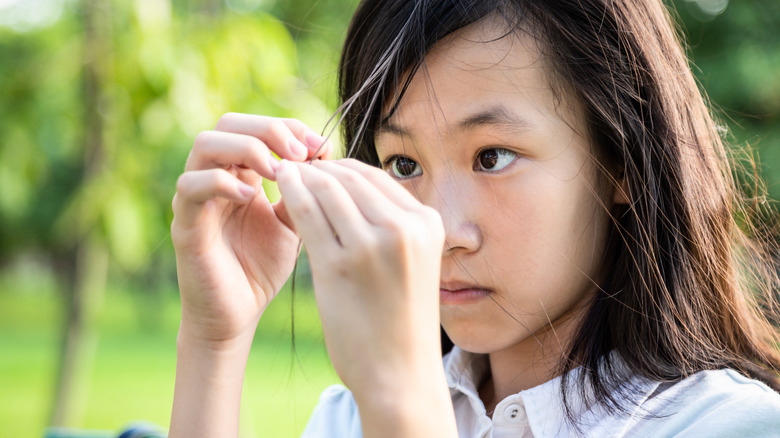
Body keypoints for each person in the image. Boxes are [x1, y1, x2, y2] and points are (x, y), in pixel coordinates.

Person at [168, 0, 780, 436]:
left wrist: (400, 400)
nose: (439, 231)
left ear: (620, 160)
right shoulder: (349, 419)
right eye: (403, 164)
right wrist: (214, 338)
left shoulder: (733, 425)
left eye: (491, 157)